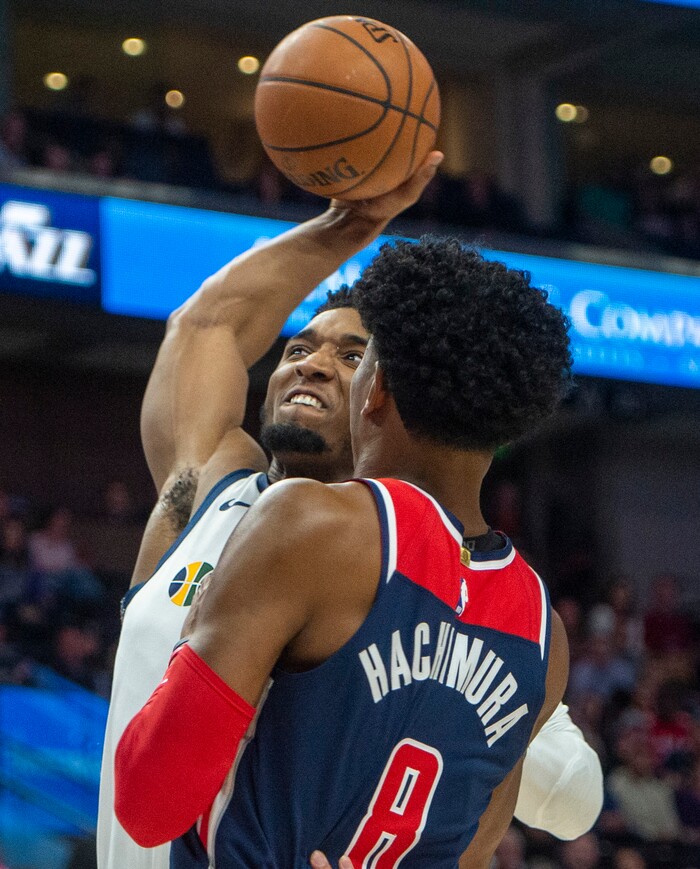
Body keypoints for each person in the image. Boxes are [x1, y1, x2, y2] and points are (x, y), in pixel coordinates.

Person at [97, 154, 602, 869]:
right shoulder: (209, 487)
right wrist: (346, 226)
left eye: (350, 354)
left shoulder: (305, 527)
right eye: (299, 346)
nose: (311, 362)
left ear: (378, 388)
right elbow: (205, 325)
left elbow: (150, 798)